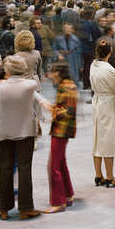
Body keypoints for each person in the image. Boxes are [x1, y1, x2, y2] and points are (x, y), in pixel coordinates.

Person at [0, 55, 42, 220]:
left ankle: (3, 209)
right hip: (25, 130)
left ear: (8, 70)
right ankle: (25, 208)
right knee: (24, 169)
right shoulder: (31, 85)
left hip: (4, 131)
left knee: (5, 170)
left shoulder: (0, 87)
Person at [89, 39, 115, 187]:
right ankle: (110, 177)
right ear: (110, 52)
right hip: (109, 105)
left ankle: (98, 175)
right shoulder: (109, 69)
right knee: (108, 142)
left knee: (97, 139)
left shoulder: (93, 65)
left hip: (97, 101)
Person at [41, 62, 78, 213]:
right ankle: (68, 195)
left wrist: (51, 108)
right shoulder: (68, 85)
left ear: (59, 73)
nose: (50, 76)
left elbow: (67, 112)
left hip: (61, 131)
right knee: (61, 163)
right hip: (62, 130)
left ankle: (58, 202)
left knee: (53, 167)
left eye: (53, 72)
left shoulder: (66, 87)